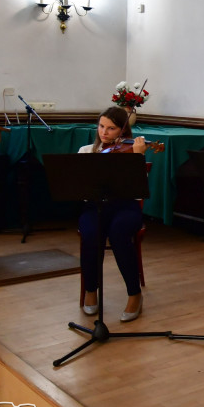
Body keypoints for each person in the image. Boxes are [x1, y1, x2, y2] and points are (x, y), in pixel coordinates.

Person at [78, 106, 148, 322]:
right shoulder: (86, 151)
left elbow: (137, 191)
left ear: (122, 132)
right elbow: (78, 189)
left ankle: (134, 294)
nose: (104, 132)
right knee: (90, 233)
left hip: (125, 207)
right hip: (94, 206)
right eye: (101, 126)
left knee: (119, 232)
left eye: (111, 128)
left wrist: (137, 159)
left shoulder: (129, 152)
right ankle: (91, 290)